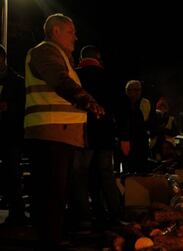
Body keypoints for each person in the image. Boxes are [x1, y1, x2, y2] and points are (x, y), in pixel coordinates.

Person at [24, 13, 104, 250]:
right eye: (71, 31)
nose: (76, 37)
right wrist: (85, 99)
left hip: (59, 133)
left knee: (55, 191)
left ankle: (53, 236)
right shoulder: (45, 52)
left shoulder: (61, 57)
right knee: (52, 191)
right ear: (55, 31)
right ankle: (51, 240)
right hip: (51, 132)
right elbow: (59, 80)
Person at [68, 45, 121, 231]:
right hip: (105, 134)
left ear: (82, 58)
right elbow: (117, 107)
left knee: (80, 175)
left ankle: (84, 218)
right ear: (97, 58)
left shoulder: (74, 75)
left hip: (83, 133)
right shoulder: (108, 77)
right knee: (107, 175)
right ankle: (115, 215)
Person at [0, 44, 28, 226]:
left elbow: (24, 107)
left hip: (10, 135)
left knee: (12, 174)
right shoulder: (15, 80)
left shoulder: (17, 81)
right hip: (8, 134)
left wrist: (9, 108)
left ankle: (16, 212)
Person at [117, 80, 152, 174]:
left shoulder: (140, 104)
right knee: (129, 171)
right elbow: (123, 124)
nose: (137, 92)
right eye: (135, 90)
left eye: (138, 90)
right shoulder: (123, 105)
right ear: (127, 91)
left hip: (138, 143)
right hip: (130, 143)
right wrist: (124, 139)